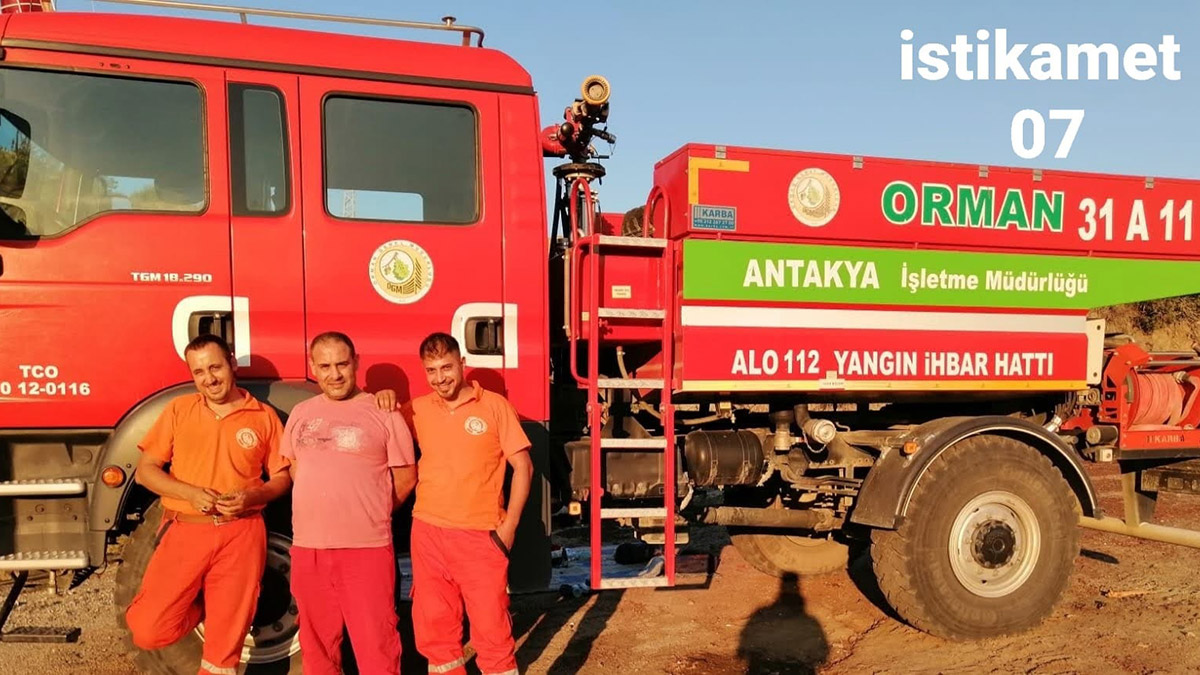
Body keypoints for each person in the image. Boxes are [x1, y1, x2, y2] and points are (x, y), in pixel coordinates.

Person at [125, 334, 292, 675]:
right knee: (147, 628)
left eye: (215, 367)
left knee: (222, 655)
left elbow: (282, 477)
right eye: (199, 372)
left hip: (242, 535)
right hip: (187, 529)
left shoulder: (262, 416)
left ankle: (223, 618)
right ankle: (206, 604)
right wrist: (189, 493)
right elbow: (146, 473)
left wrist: (253, 495)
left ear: (232, 363)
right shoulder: (178, 410)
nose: (209, 378)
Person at [282, 332, 417, 675]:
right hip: (308, 549)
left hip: (366, 549)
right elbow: (296, 468)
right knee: (317, 650)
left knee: (378, 647)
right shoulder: (300, 413)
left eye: (342, 363)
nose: (335, 374)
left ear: (356, 362)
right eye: (325, 366)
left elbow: (406, 477)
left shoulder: (382, 411)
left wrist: (370, 514)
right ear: (313, 367)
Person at [402, 332, 533, 675]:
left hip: (480, 535)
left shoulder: (493, 406)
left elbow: (523, 467)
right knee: (436, 632)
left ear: (463, 364)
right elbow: (379, 428)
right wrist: (384, 399)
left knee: (492, 634)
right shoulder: (417, 410)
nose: (440, 377)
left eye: (446, 367)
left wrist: (508, 528)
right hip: (428, 534)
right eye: (431, 370)